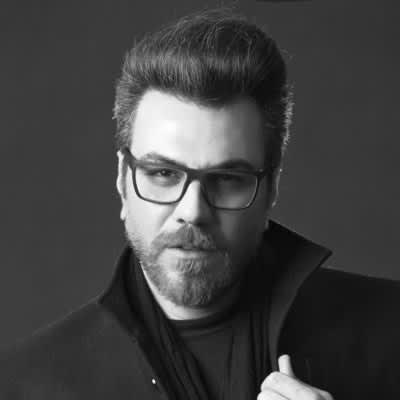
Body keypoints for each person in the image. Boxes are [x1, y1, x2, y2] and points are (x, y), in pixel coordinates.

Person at [1, 8, 399, 400]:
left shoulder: (391, 332)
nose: (192, 211)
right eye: (163, 173)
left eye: (227, 179)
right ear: (123, 179)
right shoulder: (22, 387)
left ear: (271, 188)